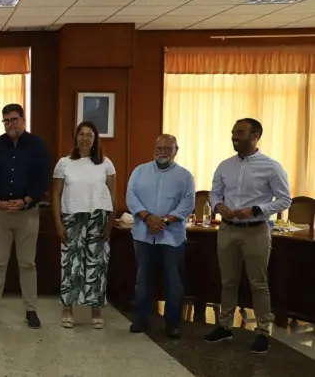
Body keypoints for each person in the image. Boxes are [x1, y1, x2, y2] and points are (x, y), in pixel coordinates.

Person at [204, 118, 291, 354]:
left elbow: (285, 200)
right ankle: (224, 326)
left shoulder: (271, 167)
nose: (234, 137)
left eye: (240, 133)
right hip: (227, 229)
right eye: (233, 132)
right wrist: (219, 206)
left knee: (258, 284)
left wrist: (254, 210)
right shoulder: (224, 165)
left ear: (255, 136)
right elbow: (214, 193)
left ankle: (262, 332)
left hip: (256, 231)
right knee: (228, 282)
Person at [0, 103, 50, 329]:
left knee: (27, 263)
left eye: (14, 119)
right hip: (0, 214)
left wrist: (27, 199)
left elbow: (42, 178)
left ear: (23, 119)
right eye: (6, 121)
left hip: (27, 213)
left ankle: (31, 310)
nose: (10, 124)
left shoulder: (37, 145)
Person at [125, 134, 195, 338]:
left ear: (176, 150)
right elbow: (130, 196)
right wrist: (147, 217)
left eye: (168, 148)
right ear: (153, 149)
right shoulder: (140, 171)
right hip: (143, 233)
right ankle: (142, 319)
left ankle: (172, 323)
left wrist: (165, 221)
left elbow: (188, 203)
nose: (163, 152)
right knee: (143, 279)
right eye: (159, 148)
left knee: (174, 281)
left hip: (172, 236)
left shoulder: (184, 175)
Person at [51, 121, 117, 329]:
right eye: (81, 134)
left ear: (95, 139)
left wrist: (111, 222)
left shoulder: (106, 163)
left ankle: (96, 310)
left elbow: (113, 194)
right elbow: (56, 194)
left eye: (90, 134)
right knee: (71, 264)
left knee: (96, 265)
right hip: (72, 218)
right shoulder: (64, 163)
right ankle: (68, 309)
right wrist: (58, 223)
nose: (85, 138)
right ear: (76, 137)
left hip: (98, 218)